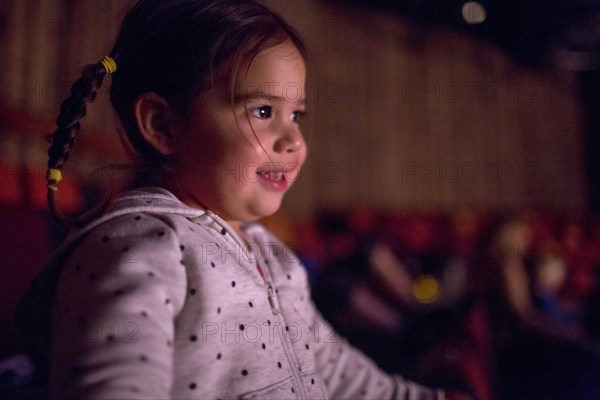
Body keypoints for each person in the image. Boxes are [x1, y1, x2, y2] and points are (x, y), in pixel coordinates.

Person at [15, 0, 469, 399]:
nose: (294, 139)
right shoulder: (139, 246)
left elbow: (337, 373)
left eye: (296, 114)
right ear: (164, 126)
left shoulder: (271, 254)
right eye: (263, 111)